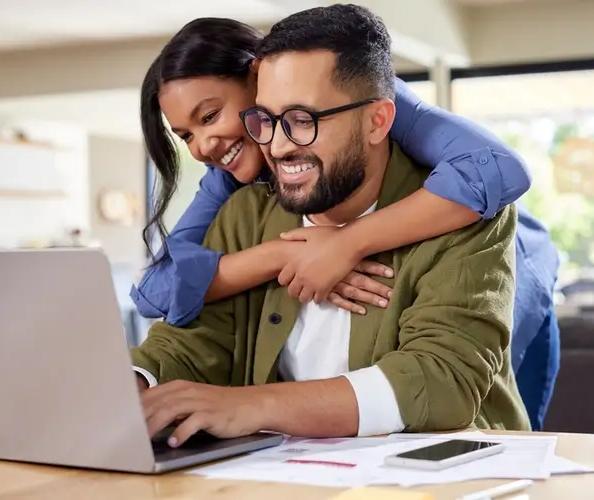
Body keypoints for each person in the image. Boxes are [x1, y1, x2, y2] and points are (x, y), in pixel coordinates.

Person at [130, 3, 530, 446]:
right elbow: (188, 336)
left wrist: (251, 405)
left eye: (303, 120)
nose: (277, 147)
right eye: (266, 120)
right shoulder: (242, 209)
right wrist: (132, 383)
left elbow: (440, 381)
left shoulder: (465, 209)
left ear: (377, 121)